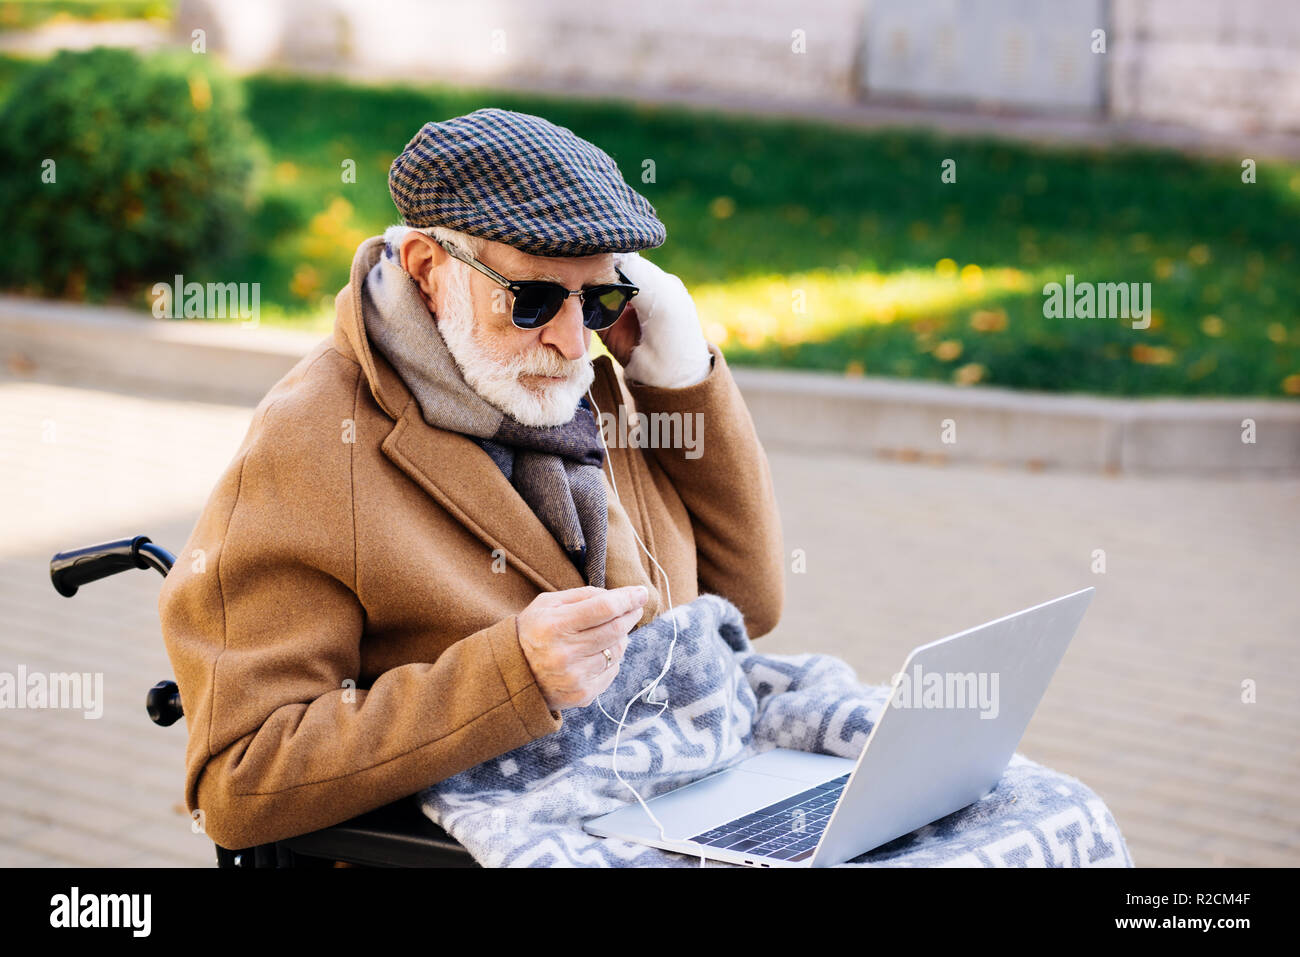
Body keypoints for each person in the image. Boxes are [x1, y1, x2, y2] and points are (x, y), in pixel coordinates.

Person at [158, 108, 785, 851]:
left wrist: (681, 374)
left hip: (661, 814)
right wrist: (514, 673)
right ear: (429, 270)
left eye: (600, 296)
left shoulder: (596, 379)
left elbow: (747, 602)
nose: (568, 339)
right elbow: (241, 778)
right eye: (532, 299)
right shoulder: (315, 438)